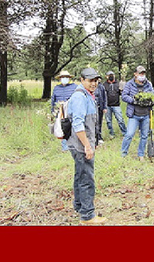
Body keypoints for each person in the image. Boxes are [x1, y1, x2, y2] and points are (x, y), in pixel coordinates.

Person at [66, 68, 104, 224]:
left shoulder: (88, 95)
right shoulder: (80, 97)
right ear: (82, 80)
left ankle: (79, 206)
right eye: (90, 80)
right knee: (87, 178)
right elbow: (78, 124)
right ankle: (87, 216)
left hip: (79, 144)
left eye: (95, 80)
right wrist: (88, 146)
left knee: (79, 175)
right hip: (81, 145)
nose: (93, 83)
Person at [120, 65, 154, 158]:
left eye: (143, 73)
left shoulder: (148, 84)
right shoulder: (129, 84)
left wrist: (150, 101)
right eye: (140, 73)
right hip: (134, 114)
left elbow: (153, 96)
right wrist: (133, 100)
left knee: (144, 136)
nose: (142, 75)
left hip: (146, 114)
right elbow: (124, 96)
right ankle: (123, 153)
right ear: (135, 74)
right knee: (129, 134)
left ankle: (141, 154)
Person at [51, 70, 77, 151]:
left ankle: (73, 145)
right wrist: (53, 112)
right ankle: (65, 147)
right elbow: (53, 100)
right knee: (62, 128)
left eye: (66, 77)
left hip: (71, 110)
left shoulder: (74, 87)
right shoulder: (56, 88)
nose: (64, 79)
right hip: (60, 112)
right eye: (62, 77)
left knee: (73, 127)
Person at [100, 71, 123, 137]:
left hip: (116, 105)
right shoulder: (104, 85)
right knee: (108, 121)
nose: (111, 76)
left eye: (112, 75)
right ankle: (111, 133)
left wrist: (122, 90)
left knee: (120, 120)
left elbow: (121, 93)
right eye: (109, 75)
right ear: (106, 76)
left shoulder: (118, 84)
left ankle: (124, 132)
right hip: (107, 106)